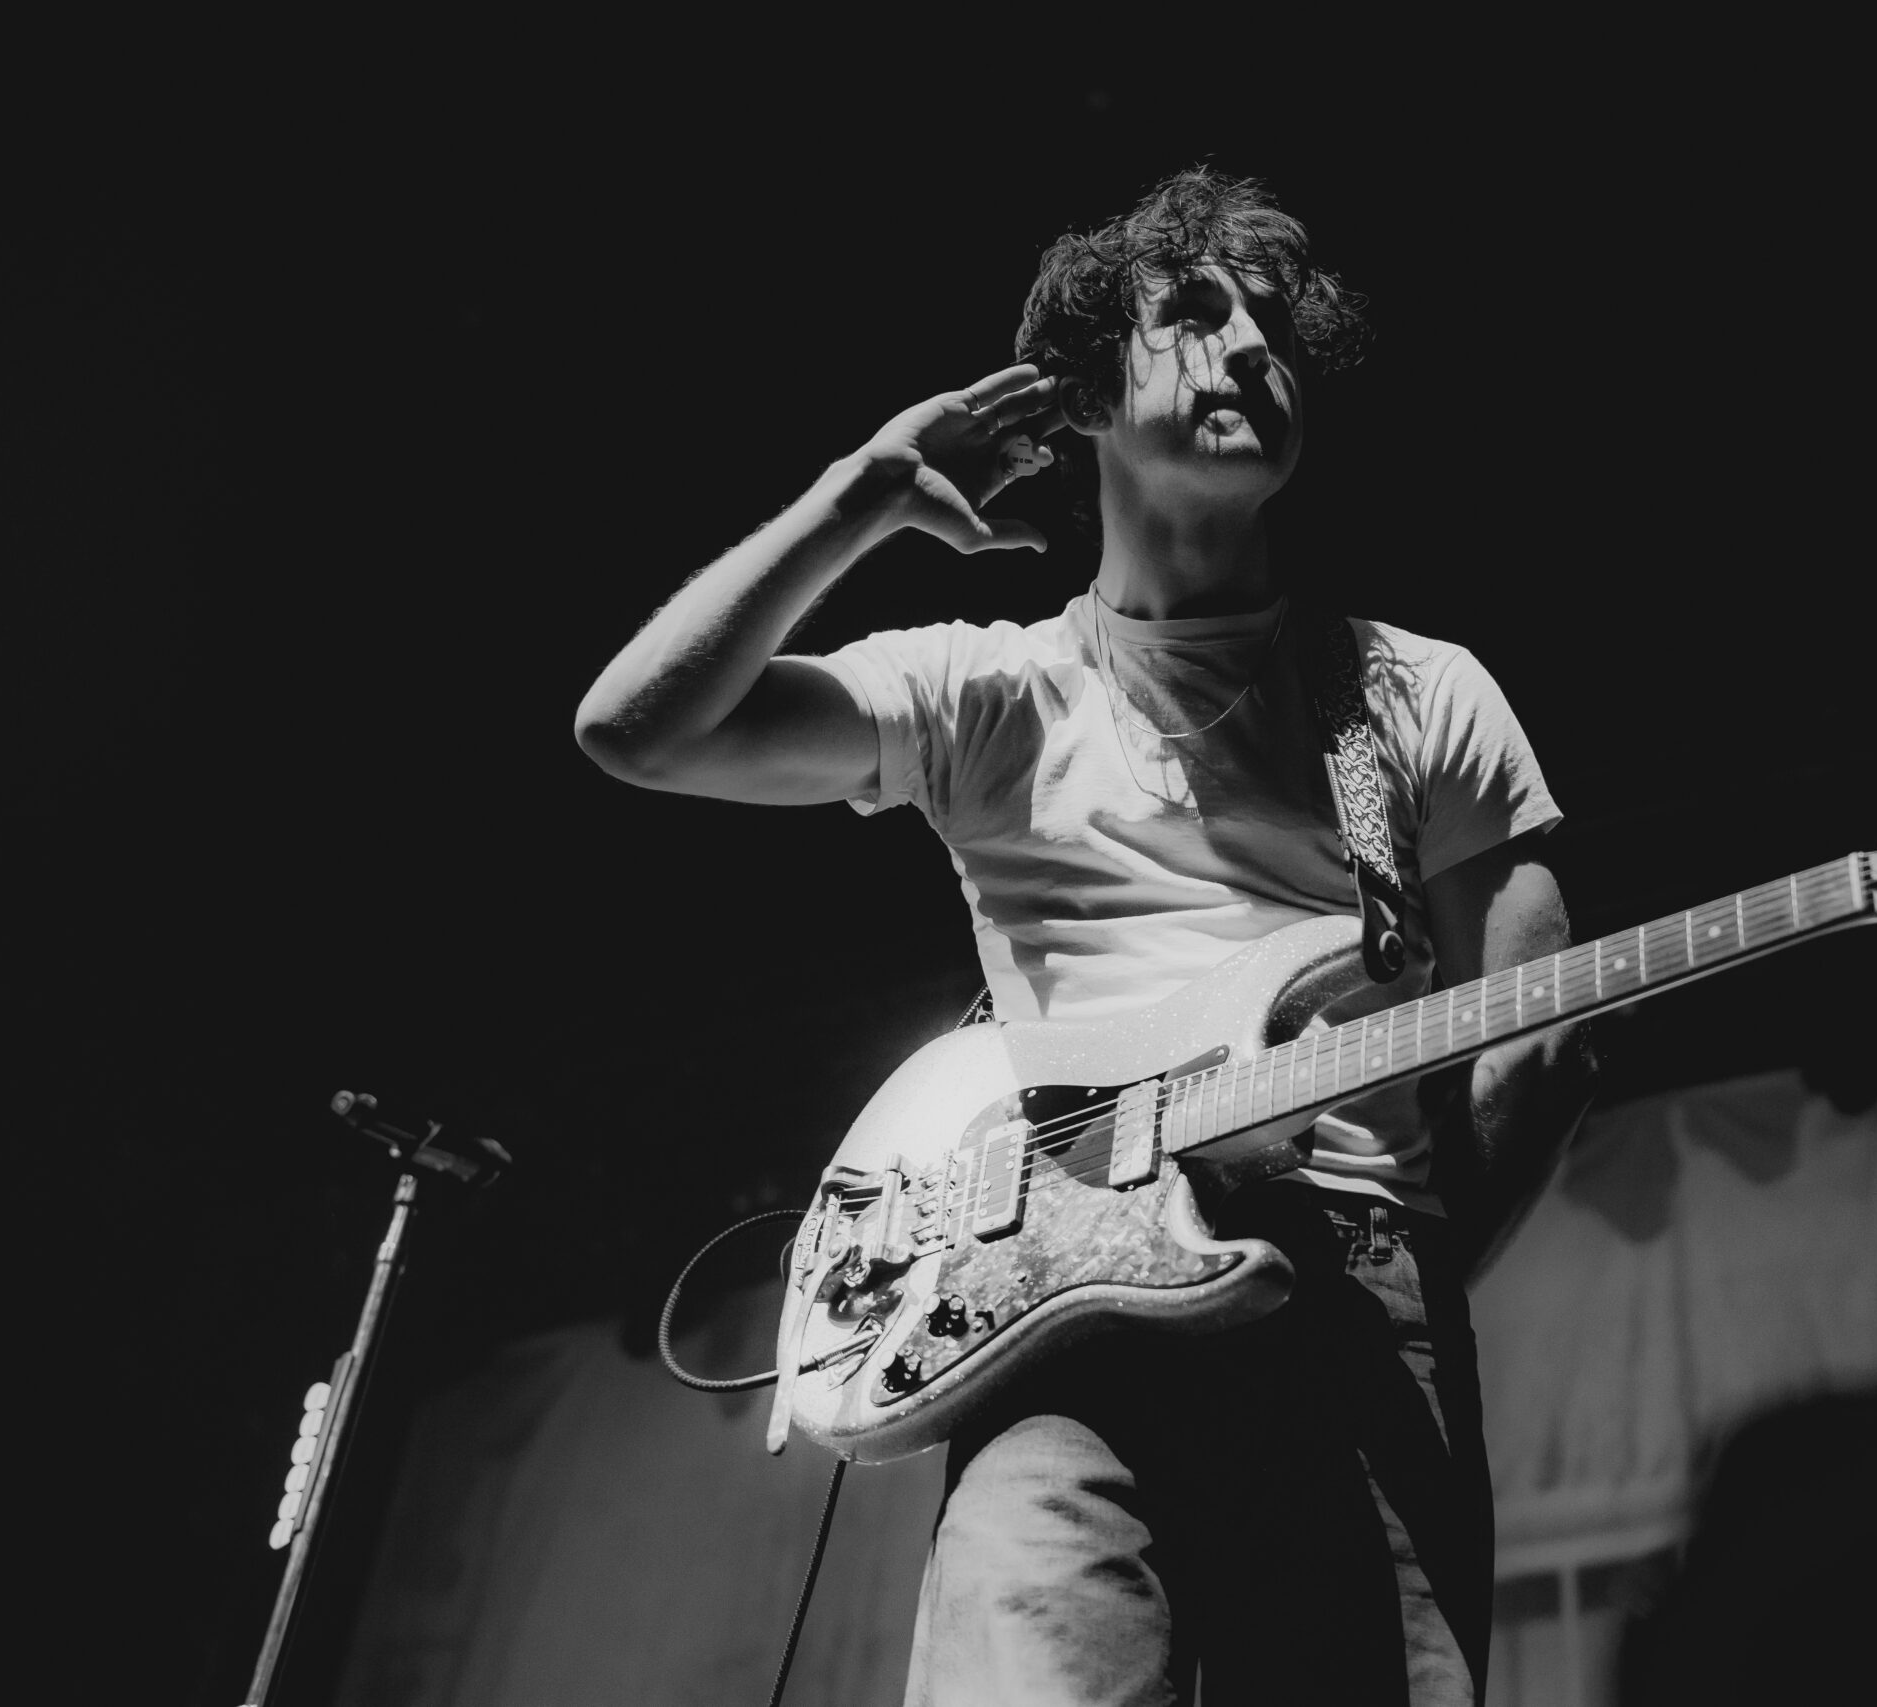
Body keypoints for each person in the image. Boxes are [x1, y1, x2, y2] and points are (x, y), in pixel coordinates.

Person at [575, 168, 1597, 1707]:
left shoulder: (1415, 691)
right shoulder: (987, 693)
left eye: (1277, 331)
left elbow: (1545, 1035)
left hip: (1349, 1297)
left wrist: (1410, 1266)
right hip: (1055, 1317)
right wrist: (863, 494)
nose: (1251, 349)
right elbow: (637, 730)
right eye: (1196, 314)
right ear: (1083, 393)